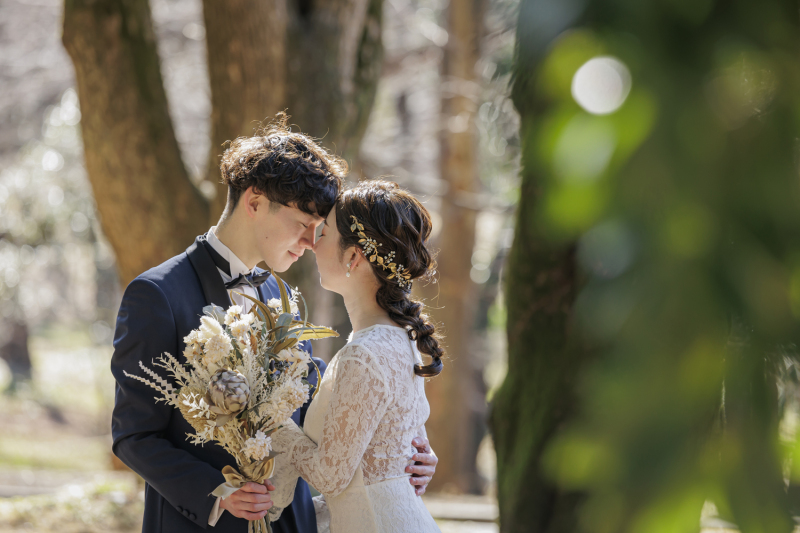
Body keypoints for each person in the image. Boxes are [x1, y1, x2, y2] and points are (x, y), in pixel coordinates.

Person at [110, 116, 438, 533]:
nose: (309, 242)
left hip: (292, 522)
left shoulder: (283, 300)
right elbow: (133, 435)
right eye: (303, 224)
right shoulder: (157, 295)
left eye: (319, 230)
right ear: (255, 201)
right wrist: (218, 492)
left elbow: (315, 414)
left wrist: (398, 452)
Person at [269, 180, 443, 533]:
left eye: (323, 233)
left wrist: (274, 423)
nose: (310, 243)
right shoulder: (400, 339)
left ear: (353, 256)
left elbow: (329, 475)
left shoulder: (363, 354)